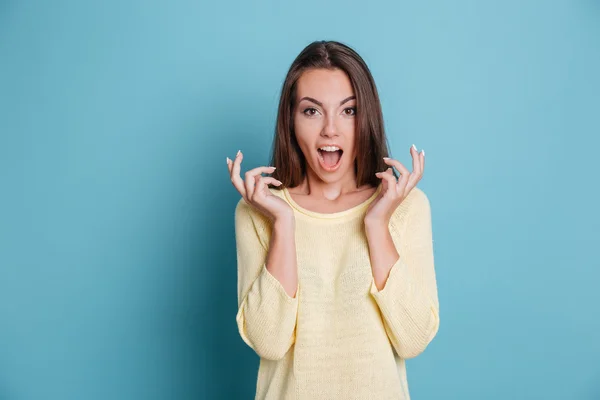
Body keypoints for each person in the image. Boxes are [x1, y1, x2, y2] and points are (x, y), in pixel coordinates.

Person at [225, 40, 439, 400]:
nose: (330, 130)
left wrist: (376, 225)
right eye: (312, 111)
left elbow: (413, 338)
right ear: (290, 120)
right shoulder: (257, 210)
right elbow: (269, 342)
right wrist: (283, 224)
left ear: (367, 116)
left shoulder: (405, 206)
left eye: (348, 111)